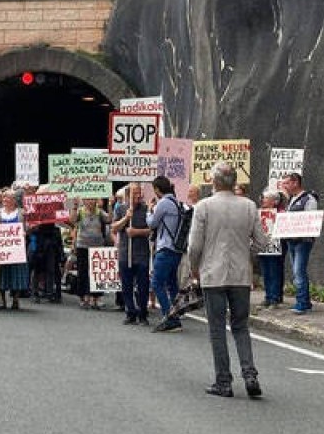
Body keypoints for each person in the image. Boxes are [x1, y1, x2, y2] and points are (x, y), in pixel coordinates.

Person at [188, 162, 268, 398]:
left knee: (216, 328)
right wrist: (247, 256)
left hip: (213, 272)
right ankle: (250, 373)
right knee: (241, 326)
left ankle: (223, 380)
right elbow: (262, 241)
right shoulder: (249, 206)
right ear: (234, 182)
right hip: (240, 273)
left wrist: (194, 267)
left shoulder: (203, 206)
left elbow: (194, 245)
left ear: (214, 181)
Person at [148, 176, 184, 331]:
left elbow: (152, 223)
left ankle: (170, 318)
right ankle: (175, 315)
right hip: (177, 249)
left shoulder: (163, 203)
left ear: (157, 189)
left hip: (165, 248)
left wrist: (150, 211)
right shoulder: (176, 202)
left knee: (156, 283)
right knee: (171, 283)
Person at [112, 184, 151, 325]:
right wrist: (125, 218)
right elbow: (114, 228)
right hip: (125, 252)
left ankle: (143, 313)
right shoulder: (121, 208)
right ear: (128, 195)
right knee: (126, 285)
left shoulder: (146, 209)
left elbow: (151, 230)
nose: (138, 196)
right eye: (135, 193)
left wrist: (136, 232)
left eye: (139, 193)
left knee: (143, 286)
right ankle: (130, 312)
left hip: (141, 253)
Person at [281, 173, 318, 315]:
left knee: (298, 271)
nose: (284, 186)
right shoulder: (292, 199)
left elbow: (310, 219)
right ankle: (305, 301)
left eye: (287, 183)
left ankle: (301, 302)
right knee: (298, 271)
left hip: (303, 241)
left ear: (295, 183)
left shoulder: (309, 199)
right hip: (292, 240)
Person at [71, 197, 110, 310]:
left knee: (97, 273)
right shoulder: (80, 211)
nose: (91, 201)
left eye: (93, 199)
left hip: (97, 246)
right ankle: (84, 297)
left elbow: (109, 219)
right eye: (88, 199)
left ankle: (96, 297)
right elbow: (73, 220)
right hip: (82, 245)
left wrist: (110, 205)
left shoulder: (99, 212)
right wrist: (74, 206)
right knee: (82, 272)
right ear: (84, 200)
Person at [258, 189, 286, 308]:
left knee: (274, 270)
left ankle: (275, 297)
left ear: (274, 201)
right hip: (264, 245)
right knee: (266, 271)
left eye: (266, 198)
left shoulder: (281, 213)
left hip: (276, 246)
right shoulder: (260, 213)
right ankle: (268, 296)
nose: (263, 200)